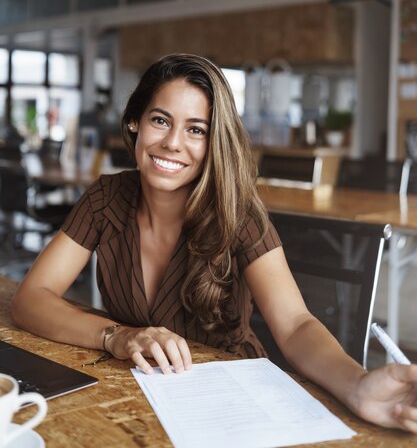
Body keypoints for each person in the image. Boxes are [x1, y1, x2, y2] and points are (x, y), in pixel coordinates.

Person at [11, 53, 417, 433]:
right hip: (139, 396)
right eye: (160, 120)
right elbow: (32, 298)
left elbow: (295, 326)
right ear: (134, 121)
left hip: (232, 406)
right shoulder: (106, 198)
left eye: (195, 130)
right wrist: (115, 335)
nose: (173, 142)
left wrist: (357, 385)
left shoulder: (237, 213)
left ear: (213, 141)